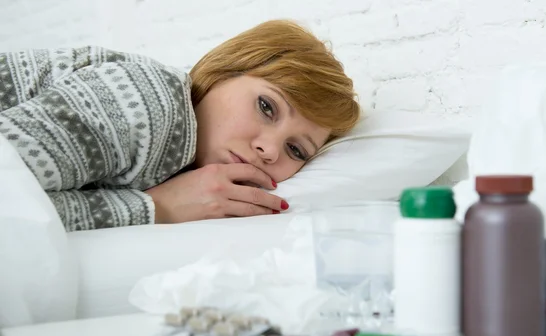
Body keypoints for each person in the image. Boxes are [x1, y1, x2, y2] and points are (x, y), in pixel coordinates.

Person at [0, 20, 360, 232]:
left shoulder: (177, 154)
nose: (269, 149)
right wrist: (156, 207)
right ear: (222, 73)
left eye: (295, 150)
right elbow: (9, 203)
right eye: (266, 107)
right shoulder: (146, 102)